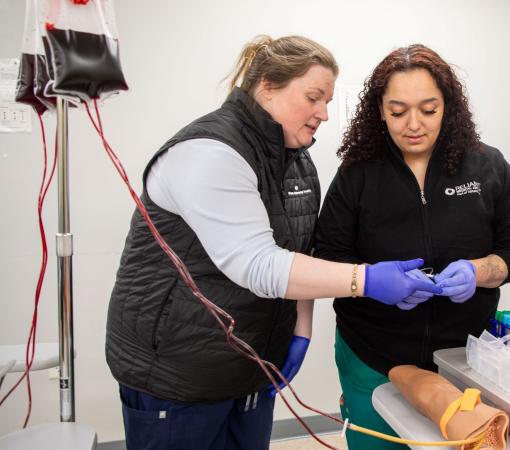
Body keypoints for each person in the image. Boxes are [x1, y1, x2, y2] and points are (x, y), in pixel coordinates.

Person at [105, 35, 441, 450]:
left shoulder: (295, 160)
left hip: (250, 366)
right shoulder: (209, 152)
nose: (323, 113)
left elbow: (300, 253)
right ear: (267, 85)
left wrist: (298, 332)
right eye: (314, 97)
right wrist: (366, 280)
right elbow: (258, 265)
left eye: (327, 101)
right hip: (178, 375)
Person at [314, 44, 510, 449]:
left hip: (464, 357)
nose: (413, 124)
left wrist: (480, 271)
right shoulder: (356, 175)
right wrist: (369, 282)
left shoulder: (487, 167)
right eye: (398, 111)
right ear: (379, 110)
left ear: (448, 107)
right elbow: (328, 257)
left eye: (428, 110)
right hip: (373, 355)